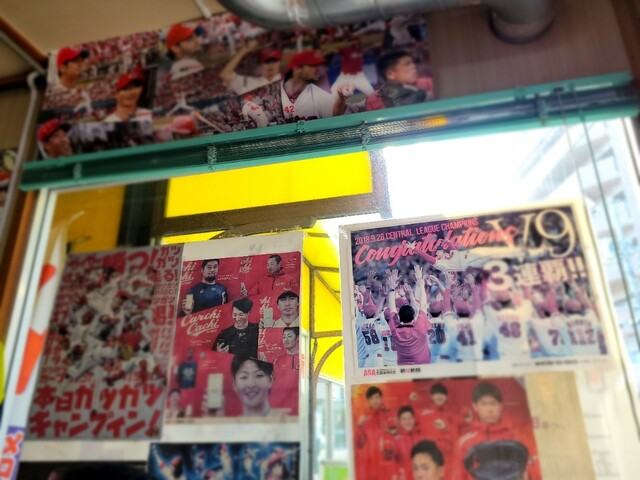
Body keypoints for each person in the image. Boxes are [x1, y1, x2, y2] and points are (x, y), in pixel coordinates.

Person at [451, 382, 538, 480]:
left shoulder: (517, 438)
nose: (490, 410)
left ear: (501, 406)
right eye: (484, 404)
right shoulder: (464, 443)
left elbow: (532, 472)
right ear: (475, 407)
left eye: (493, 403)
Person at [280, 50, 352, 121]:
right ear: (297, 69)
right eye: (313, 65)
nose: (317, 69)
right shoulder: (275, 92)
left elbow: (337, 119)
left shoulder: (321, 97)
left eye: (318, 65)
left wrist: (341, 99)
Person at [386, 266, 431, 365]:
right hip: (422, 366)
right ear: (414, 315)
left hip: (403, 368)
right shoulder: (419, 328)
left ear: (399, 317)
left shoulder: (395, 330)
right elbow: (423, 306)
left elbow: (392, 308)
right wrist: (421, 283)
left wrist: (392, 288)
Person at [365, 50, 431, 110]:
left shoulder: (427, 83)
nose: (413, 66)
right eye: (407, 64)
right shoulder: (373, 99)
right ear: (390, 74)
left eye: (413, 63)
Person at [355, 386, 396, 480]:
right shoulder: (364, 419)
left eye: (377, 397)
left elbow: (397, 437)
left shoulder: (389, 414)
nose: (375, 401)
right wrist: (360, 426)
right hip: (372, 463)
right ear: (368, 401)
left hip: (389, 461)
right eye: (371, 398)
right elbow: (359, 443)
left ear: (381, 398)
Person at [418, 383, 456, 458]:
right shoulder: (424, 414)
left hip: (450, 456)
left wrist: (447, 428)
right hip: (431, 455)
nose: (439, 397)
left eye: (442, 394)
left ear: (446, 397)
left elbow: (456, 435)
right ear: (431, 397)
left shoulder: (453, 414)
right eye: (436, 394)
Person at [395, 405, 422, 479]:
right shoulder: (395, 440)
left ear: (414, 419)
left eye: (409, 418)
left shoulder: (422, 438)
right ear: (399, 421)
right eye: (404, 419)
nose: (407, 422)